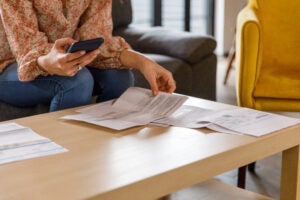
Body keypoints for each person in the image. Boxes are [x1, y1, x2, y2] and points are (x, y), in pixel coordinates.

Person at [0, 0, 176, 112]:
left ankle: (99, 148)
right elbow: (27, 47)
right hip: (11, 63)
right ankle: (61, 158)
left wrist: (142, 61)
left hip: (65, 57)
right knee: (78, 81)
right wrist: (47, 61)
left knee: (120, 77)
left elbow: (97, 38)